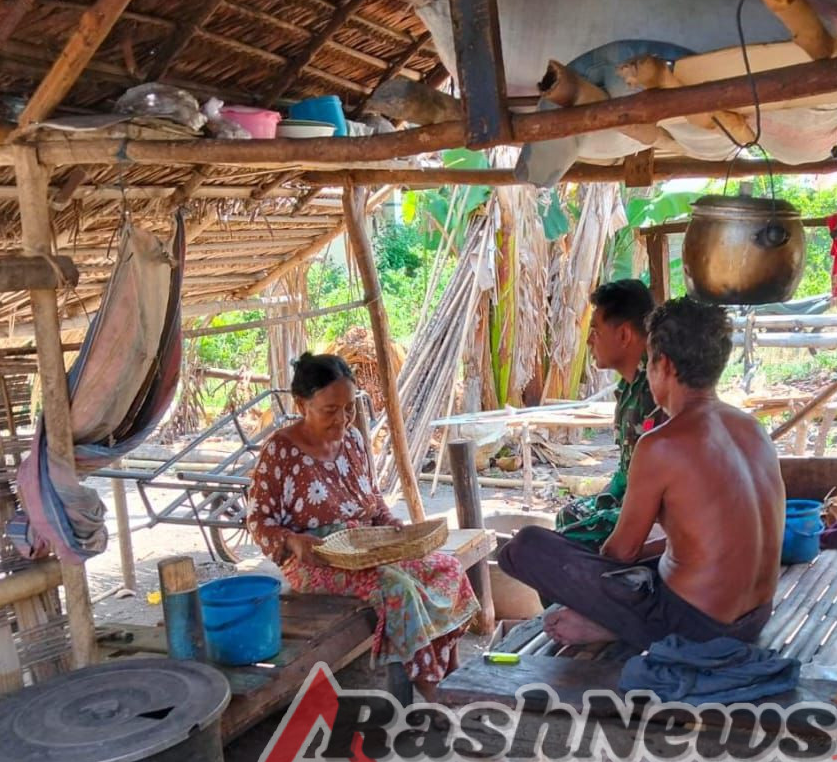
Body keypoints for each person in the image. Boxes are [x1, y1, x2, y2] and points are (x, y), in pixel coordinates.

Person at [500, 297, 786, 649]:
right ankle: (617, 624)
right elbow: (717, 540)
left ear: (662, 364)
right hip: (756, 615)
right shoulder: (752, 428)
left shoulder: (661, 444)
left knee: (524, 547)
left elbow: (621, 554)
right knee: (645, 560)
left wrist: (594, 593)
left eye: (648, 361)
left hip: (697, 626)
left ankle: (614, 625)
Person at [246, 353, 478, 705]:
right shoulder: (280, 452)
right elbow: (258, 522)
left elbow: (371, 498)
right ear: (300, 404)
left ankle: (452, 668)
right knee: (397, 587)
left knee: (447, 568)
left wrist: (390, 524)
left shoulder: (353, 441)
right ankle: (430, 689)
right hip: (316, 562)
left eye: (349, 408)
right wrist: (293, 542)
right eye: (329, 410)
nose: (342, 419)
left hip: (366, 546)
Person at [555, 279, 666, 548]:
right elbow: (626, 472)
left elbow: (658, 483)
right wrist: (605, 499)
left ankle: (620, 586)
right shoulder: (628, 389)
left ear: (625, 335)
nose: (590, 341)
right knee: (567, 516)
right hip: (635, 499)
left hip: (661, 512)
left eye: (595, 330)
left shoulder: (660, 388)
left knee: (564, 542)